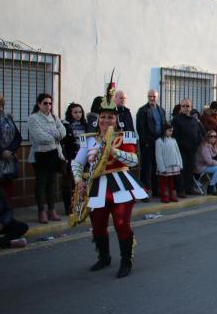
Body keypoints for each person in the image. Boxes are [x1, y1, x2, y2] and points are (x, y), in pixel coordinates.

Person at [72, 80, 148, 278]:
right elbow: (78, 162)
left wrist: (113, 151)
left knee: (121, 223)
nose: (106, 120)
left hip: (120, 184)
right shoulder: (89, 138)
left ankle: (126, 260)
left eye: (110, 117)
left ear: (116, 119)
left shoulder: (125, 136)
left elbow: (133, 159)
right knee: (97, 224)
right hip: (96, 185)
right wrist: (78, 180)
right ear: (98, 118)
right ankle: (104, 257)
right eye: (103, 117)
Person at [28, 93, 66, 224]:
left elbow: (63, 132)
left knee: (51, 183)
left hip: (54, 154)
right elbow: (40, 137)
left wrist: (53, 133)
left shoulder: (55, 117)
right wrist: (55, 135)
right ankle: (41, 212)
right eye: (45, 103)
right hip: (40, 154)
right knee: (41, 183)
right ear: (39, 104)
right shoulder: (33, 118)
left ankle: (52, 210)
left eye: (50, 103)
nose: (48, 106)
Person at [136, 89, 166, 199]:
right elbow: (140, 128)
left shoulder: (161, 110)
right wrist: (144, 142)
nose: (152, 98)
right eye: (150, 96)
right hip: (147, 143)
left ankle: (155, 190)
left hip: (158, 142)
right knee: (146, 168)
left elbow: (163, 125)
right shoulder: (142, 110)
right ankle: (144, 192)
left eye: (153, 96)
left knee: (156, 166)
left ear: (157, 97)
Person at [172, 98, 204, 197]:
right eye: (183, 106)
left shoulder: (194, 120)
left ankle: (189, 188)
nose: (185, 108)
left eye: (187, 106)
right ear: (181, 107)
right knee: (182, 170)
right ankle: (180, 190)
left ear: (191, 107)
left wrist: (197, 143)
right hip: (181, 150)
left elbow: (199, 133)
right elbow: (174, 136)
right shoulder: (176, 119)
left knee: (190, 169)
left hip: (192, 149)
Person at [61, 102, 88, 215]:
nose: (78, 114)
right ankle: (69, 207)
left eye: (80, 112)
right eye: (75, 112)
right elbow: (63, 142)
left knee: (82, 183)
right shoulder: (66, 125)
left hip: (84, 157)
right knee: (69, 183)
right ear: (70, 113)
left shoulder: (85, 125)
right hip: (71, 157)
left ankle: (81, 205)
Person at [0, 94, 22, 199]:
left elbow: (17, 137)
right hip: (1, 155)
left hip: (8, 159)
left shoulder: (7, 118)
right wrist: (1, 152)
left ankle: (7, 213)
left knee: (8, 187)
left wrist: (10, 150)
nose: (0, 107)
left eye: (1, 104)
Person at [155, 123, 183, 203]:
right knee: (163, 182)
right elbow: (158, 156)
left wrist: (180, 163)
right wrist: (161, 168)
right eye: (169, 130)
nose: (171, 132)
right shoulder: (159, 141)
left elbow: (178, 152)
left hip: (173, 164)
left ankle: (171, 195)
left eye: (172, 131)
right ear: (164, 130)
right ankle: (164, 196)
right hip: (165, 166)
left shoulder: (173, 140)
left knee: (171, 182)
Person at [196, 130, 217, 196]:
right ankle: (211, 187)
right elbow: (209, 161)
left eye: (215, 136)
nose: (213, 138)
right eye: (211, 136)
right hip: (201, 166)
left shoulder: (214, 146)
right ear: (207, 137)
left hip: (208, 165)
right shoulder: (204, 147)